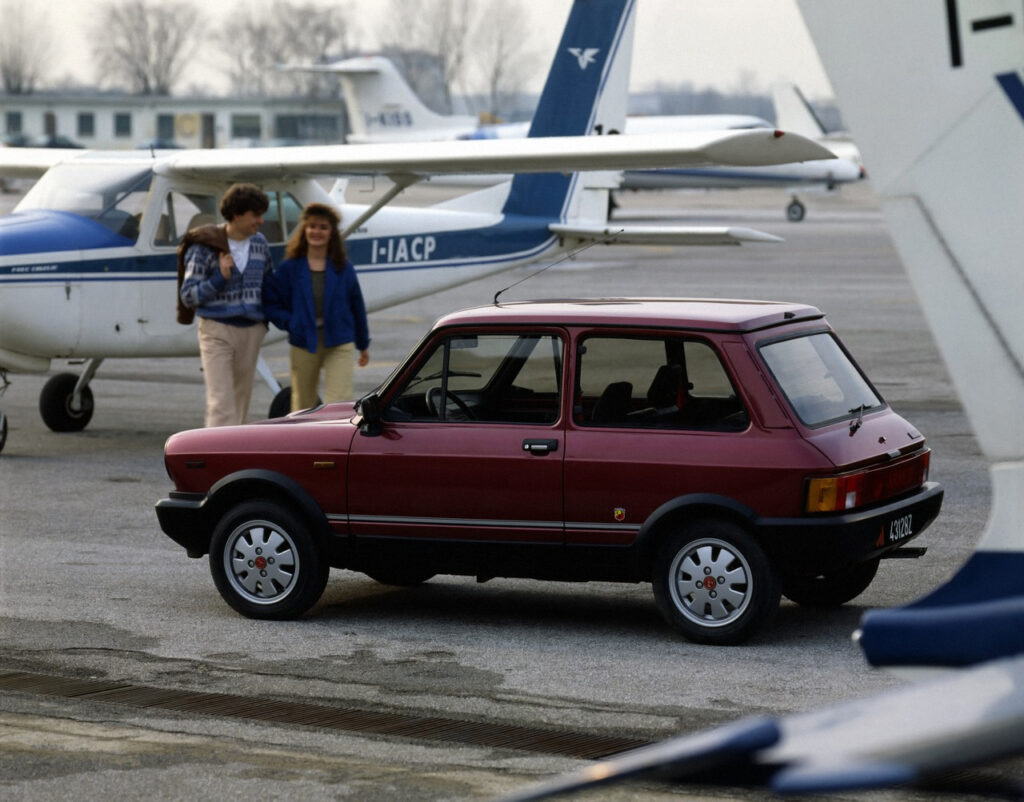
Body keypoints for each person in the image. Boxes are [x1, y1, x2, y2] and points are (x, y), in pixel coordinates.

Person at [179, 183, 273, 427]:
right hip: (216, 331)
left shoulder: (260, 244)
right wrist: (220, 278)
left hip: (251, 332)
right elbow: (188, 295)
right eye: (256, 215)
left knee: (241, 404)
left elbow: (270, 286)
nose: (261, 221)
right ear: (238, 214)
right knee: (222, 403)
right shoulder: (204, 245)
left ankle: (234, 458)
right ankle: (215, 458)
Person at [265, 202, 370, 412]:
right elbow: (271, 303)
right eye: (312, 226)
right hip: (304, 341)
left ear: (331, 233)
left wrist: (363, 344)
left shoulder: (343, 268)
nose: (317, 231)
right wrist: (290, 323)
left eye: (323, 227)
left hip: (340, 340)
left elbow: (357, 305)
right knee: (302, 405)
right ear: (304, 229)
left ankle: (335, 443)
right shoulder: (290, 268)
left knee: (339, 403)